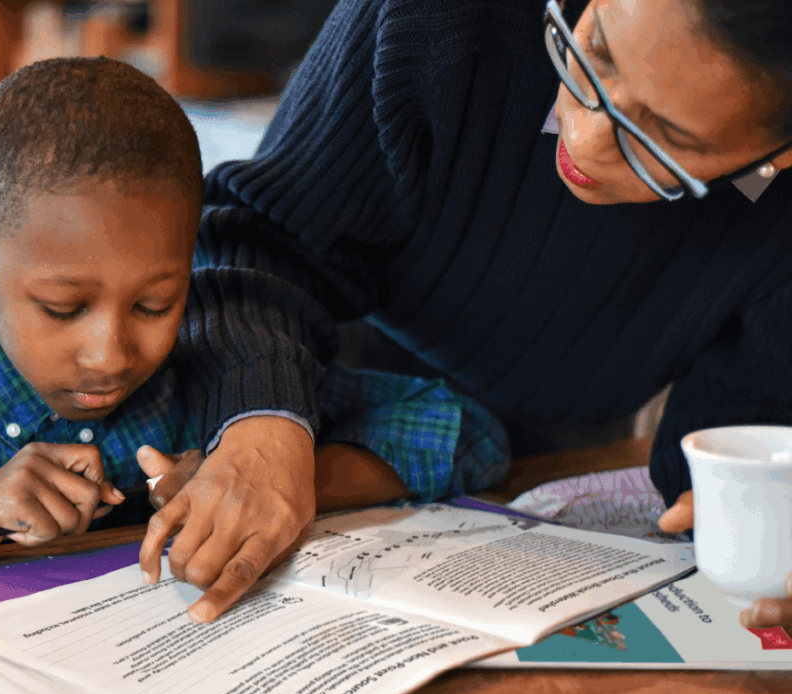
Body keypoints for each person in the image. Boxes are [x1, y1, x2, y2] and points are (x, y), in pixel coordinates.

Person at [138, 0, 792, 633]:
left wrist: (760, 519)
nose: (586, 138)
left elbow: (738, 433)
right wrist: (261, 419)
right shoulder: (441, 17)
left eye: (665, 136)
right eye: (595, 52)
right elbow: (265, 240)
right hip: (319, 392)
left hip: (545, 459)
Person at [0, 56, 507, 586]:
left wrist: (255, 478)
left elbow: (469, 435)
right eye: (63, 307)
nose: (111, 353)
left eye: (156, 302)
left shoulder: (212, 360)